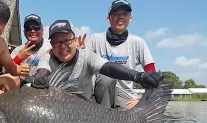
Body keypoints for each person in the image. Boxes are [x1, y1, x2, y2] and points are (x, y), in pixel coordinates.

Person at [27, 19, 163, 104]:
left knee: (106, 79)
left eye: (67, 41)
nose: (62, 47)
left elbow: (108, 67)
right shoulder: (47, 58)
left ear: (75, 40)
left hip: (86, 106)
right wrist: (39, 78)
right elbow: (42, 71)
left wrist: (138, 76)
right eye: (57, 42)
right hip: (56, 108)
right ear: (51, 44)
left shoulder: (86, 56)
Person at [81, 0, 157, 109]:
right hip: (99, 94)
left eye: (125, 14)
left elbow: (152, 76)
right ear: (108, 18)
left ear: (130, 19)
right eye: (116, 13)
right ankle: (104, 119)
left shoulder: (138, 42)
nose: (120, 17)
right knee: (106, 78)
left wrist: (143, 100)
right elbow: (81, 67)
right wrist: (79, 53)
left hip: (126, 96)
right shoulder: (95, 40)